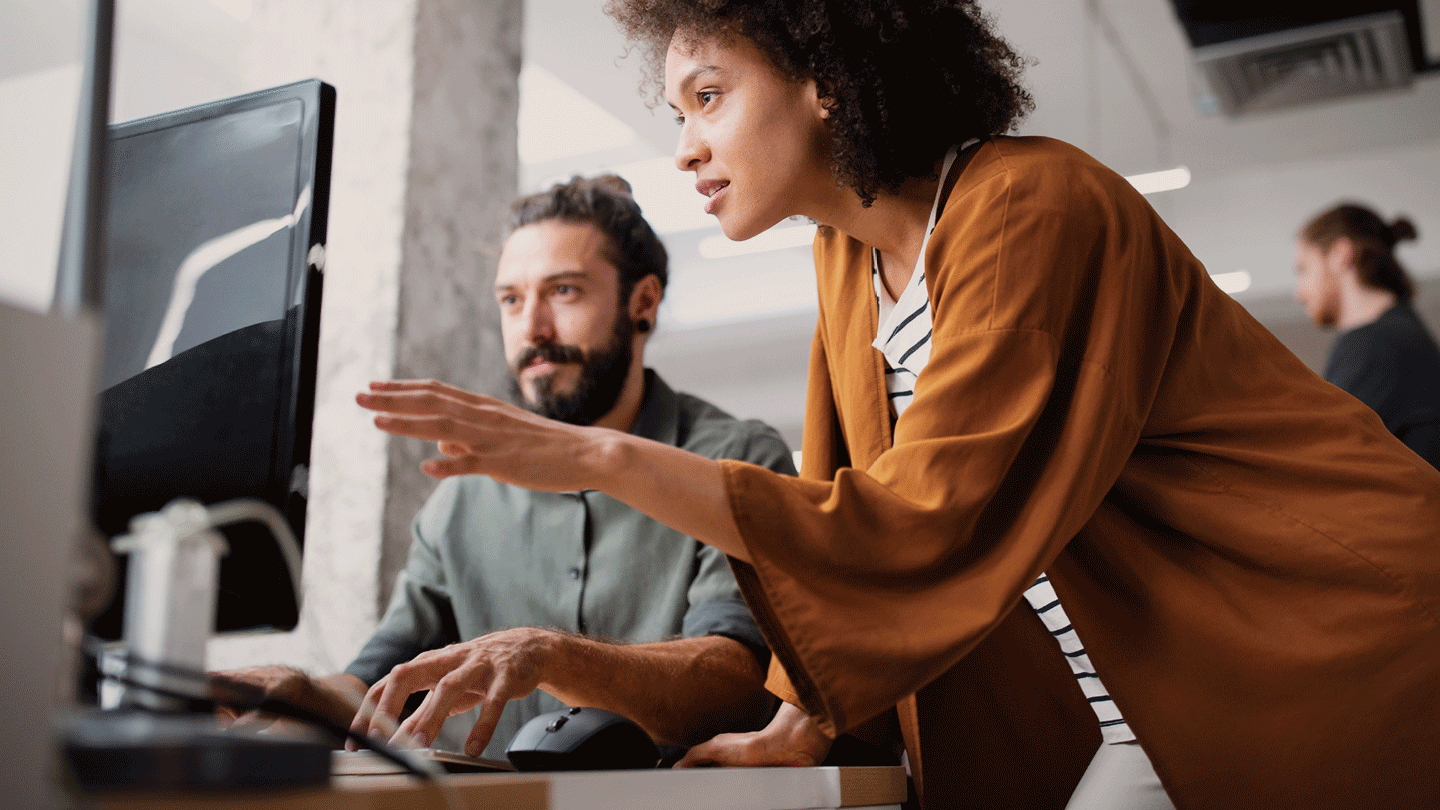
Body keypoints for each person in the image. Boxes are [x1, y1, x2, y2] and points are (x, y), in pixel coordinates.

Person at [353, 2, 1440, 808]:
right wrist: (797, 725)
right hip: (1153, 697)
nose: (684, 146)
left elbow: (921, 519)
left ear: (823, 73)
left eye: (709, 96)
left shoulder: (1029, 205)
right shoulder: (845, 259)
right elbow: (846, 511)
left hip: (1330, 632)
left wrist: (600, 458)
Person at [220, 174, 793, 760]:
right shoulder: (461, 496)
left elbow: (740, 687)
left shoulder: (737, 461)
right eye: (511, 300)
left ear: (641, 303)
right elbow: (380, 682)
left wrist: (550, 655)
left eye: (564, 292)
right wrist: (302, 694)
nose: (532, 331)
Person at [1294, 202, 1440, 469]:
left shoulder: (1378, 345)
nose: (1300, 292)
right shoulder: (1395, 334)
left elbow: (1322, 462)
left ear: (1340, 253)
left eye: (1303, 269)